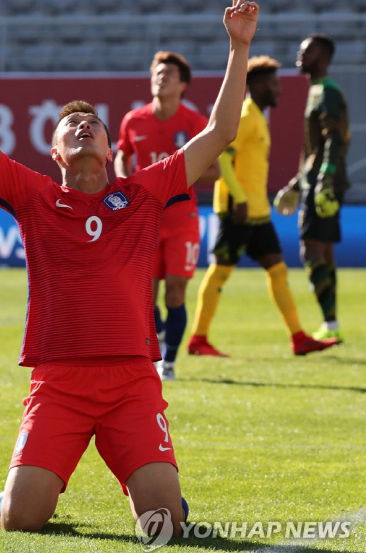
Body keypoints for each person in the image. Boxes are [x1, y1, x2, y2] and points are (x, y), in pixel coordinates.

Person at [0, 0, 259, 534]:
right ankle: (23, 488)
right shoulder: (34, 196)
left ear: (111, 149)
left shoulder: (146, 191)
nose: (83, 126)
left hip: (131, 379)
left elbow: (223, 130)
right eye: (70, 126)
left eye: (93, 125)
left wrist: (239, 47)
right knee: (19, 522)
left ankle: (157, 490)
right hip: (58, 380)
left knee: (164, 527)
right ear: (55, 152)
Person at [187, 55, 339, 358]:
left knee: (278, 270)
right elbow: (224, 160)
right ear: (256, 85)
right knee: (219, 273)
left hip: (257, 211)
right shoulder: (244, 116)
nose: (278, 89)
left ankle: (298, 337)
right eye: (273, 84)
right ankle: (198, 340)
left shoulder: (257, 115)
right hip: (238, 209)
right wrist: (239, 199)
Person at [114, 51, 218, 382]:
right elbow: (122, 155)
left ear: (183, 84)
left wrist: (175, 172)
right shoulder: (134, 120)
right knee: (143, 293)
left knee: (175, 292)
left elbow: (214, 171)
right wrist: (124, 181)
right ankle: (157, 339)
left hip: (181, 218)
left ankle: (169, 363)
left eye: (169, 74)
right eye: (157, 73)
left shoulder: (195, 124)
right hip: (145, 218)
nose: (161, 77)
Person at [274, 35, 350, 344]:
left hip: (324, 183)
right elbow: (316, 148)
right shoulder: (317, 90)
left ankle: (330, 322)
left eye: (308, 50)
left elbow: (335, 138)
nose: (300, 53)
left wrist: (324, 179)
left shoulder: (327, 92)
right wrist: (297, 181)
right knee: (325, 251)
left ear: (323, 56)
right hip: (319, 179)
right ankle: (331, 323)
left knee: (312, 249)